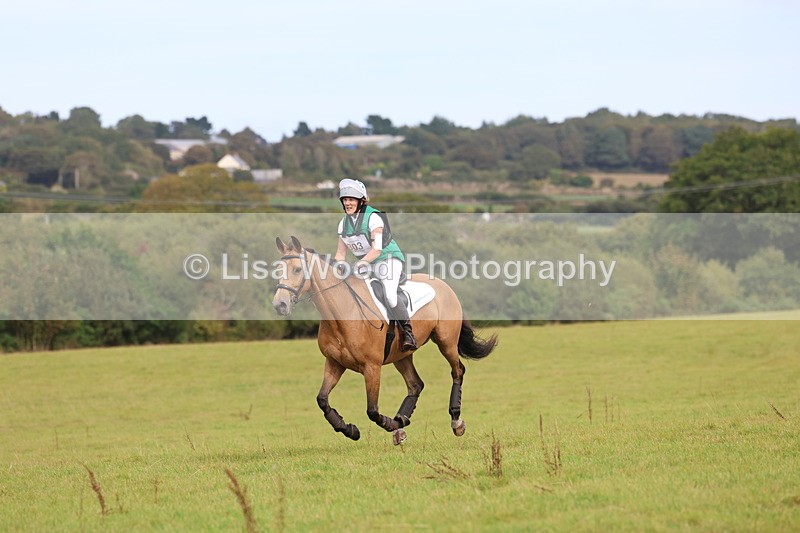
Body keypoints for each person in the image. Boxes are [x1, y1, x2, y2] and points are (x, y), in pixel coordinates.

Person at [333, 178, 417, 351]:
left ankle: (408, 332)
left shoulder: (373, 218)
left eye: (351, 199)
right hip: (367, 265)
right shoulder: (343, 224)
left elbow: (377, 250)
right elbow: (340, 254)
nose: (348, 203)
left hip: (388, 260)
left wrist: (360, 263)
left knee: (390, 295)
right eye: (345, 200)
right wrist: (337, 268)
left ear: (361, 201)